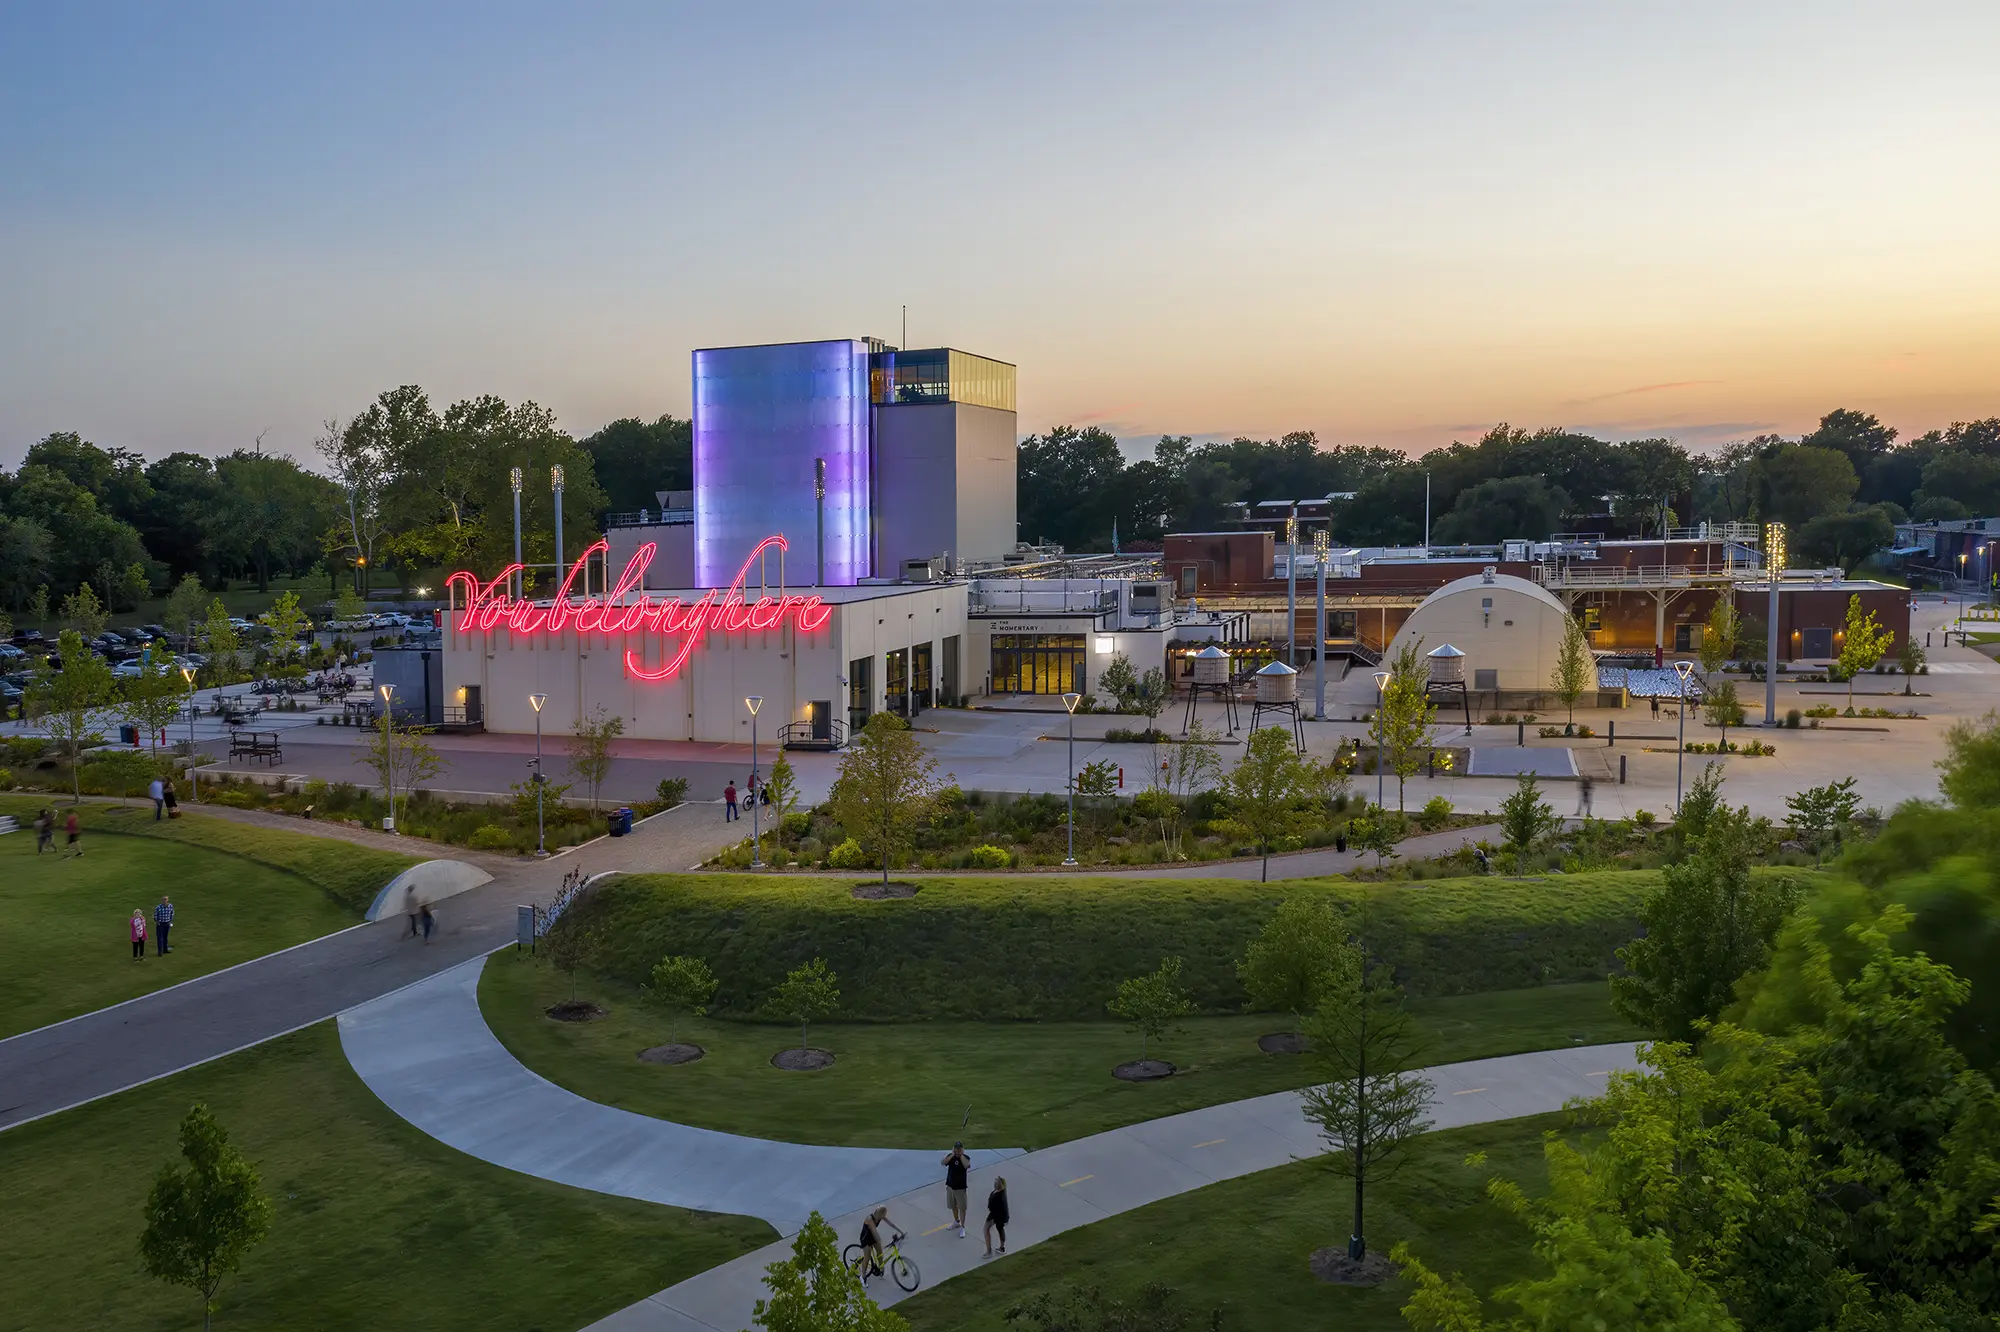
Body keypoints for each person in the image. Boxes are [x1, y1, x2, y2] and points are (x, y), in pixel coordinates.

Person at [858, 1206, 902, 1283]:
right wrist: (879, 1241)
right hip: (865, 1238)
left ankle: (880, 1267)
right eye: (884, 1214)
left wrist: (901, 1232)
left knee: (880, 1253)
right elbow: (874, 1232)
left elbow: (891, 1224)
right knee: (867, 1257)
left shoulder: (880, 1216)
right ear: (880, 1213)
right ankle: (863, 1276)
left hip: (872, 1237)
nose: (885, 1216)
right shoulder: (870, 1219)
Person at [942, 1143, 972, 1237]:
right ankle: (956, 1221)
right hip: (950, 1186)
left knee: (962, 1208)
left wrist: (961, 1155)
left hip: (960, 1188)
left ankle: (962, 1227)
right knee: (953, 1206)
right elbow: (944, 1162)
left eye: (959, 1149)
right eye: (956, 1149)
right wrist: (952, 1154)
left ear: (962, 1149)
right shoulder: (951, 1157)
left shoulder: (965, 1158)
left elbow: (967, 1165)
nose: (958, 1151)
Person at [983, 1177, 1009, 1257]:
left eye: (997, 1182)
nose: (995, 1183)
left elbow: (1000, 1208)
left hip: (997, 1215)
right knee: (999, 1229)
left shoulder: (1000, 1196)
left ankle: (989, 1251)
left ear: (1001, 1185)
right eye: (995, 1181)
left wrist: (992, 1219)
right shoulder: (997, 1191)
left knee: (986, 1229)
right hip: (995, 1214)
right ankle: (1002, 1247)